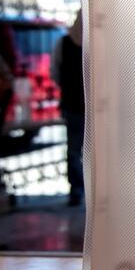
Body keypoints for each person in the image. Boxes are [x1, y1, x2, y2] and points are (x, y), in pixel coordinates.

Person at [52, 15, 84, 207]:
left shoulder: (62, 44)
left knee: (74, 150)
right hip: (82, 107)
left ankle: (77, 192)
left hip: (72, 105)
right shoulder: (100, 45)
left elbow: (55, 73)